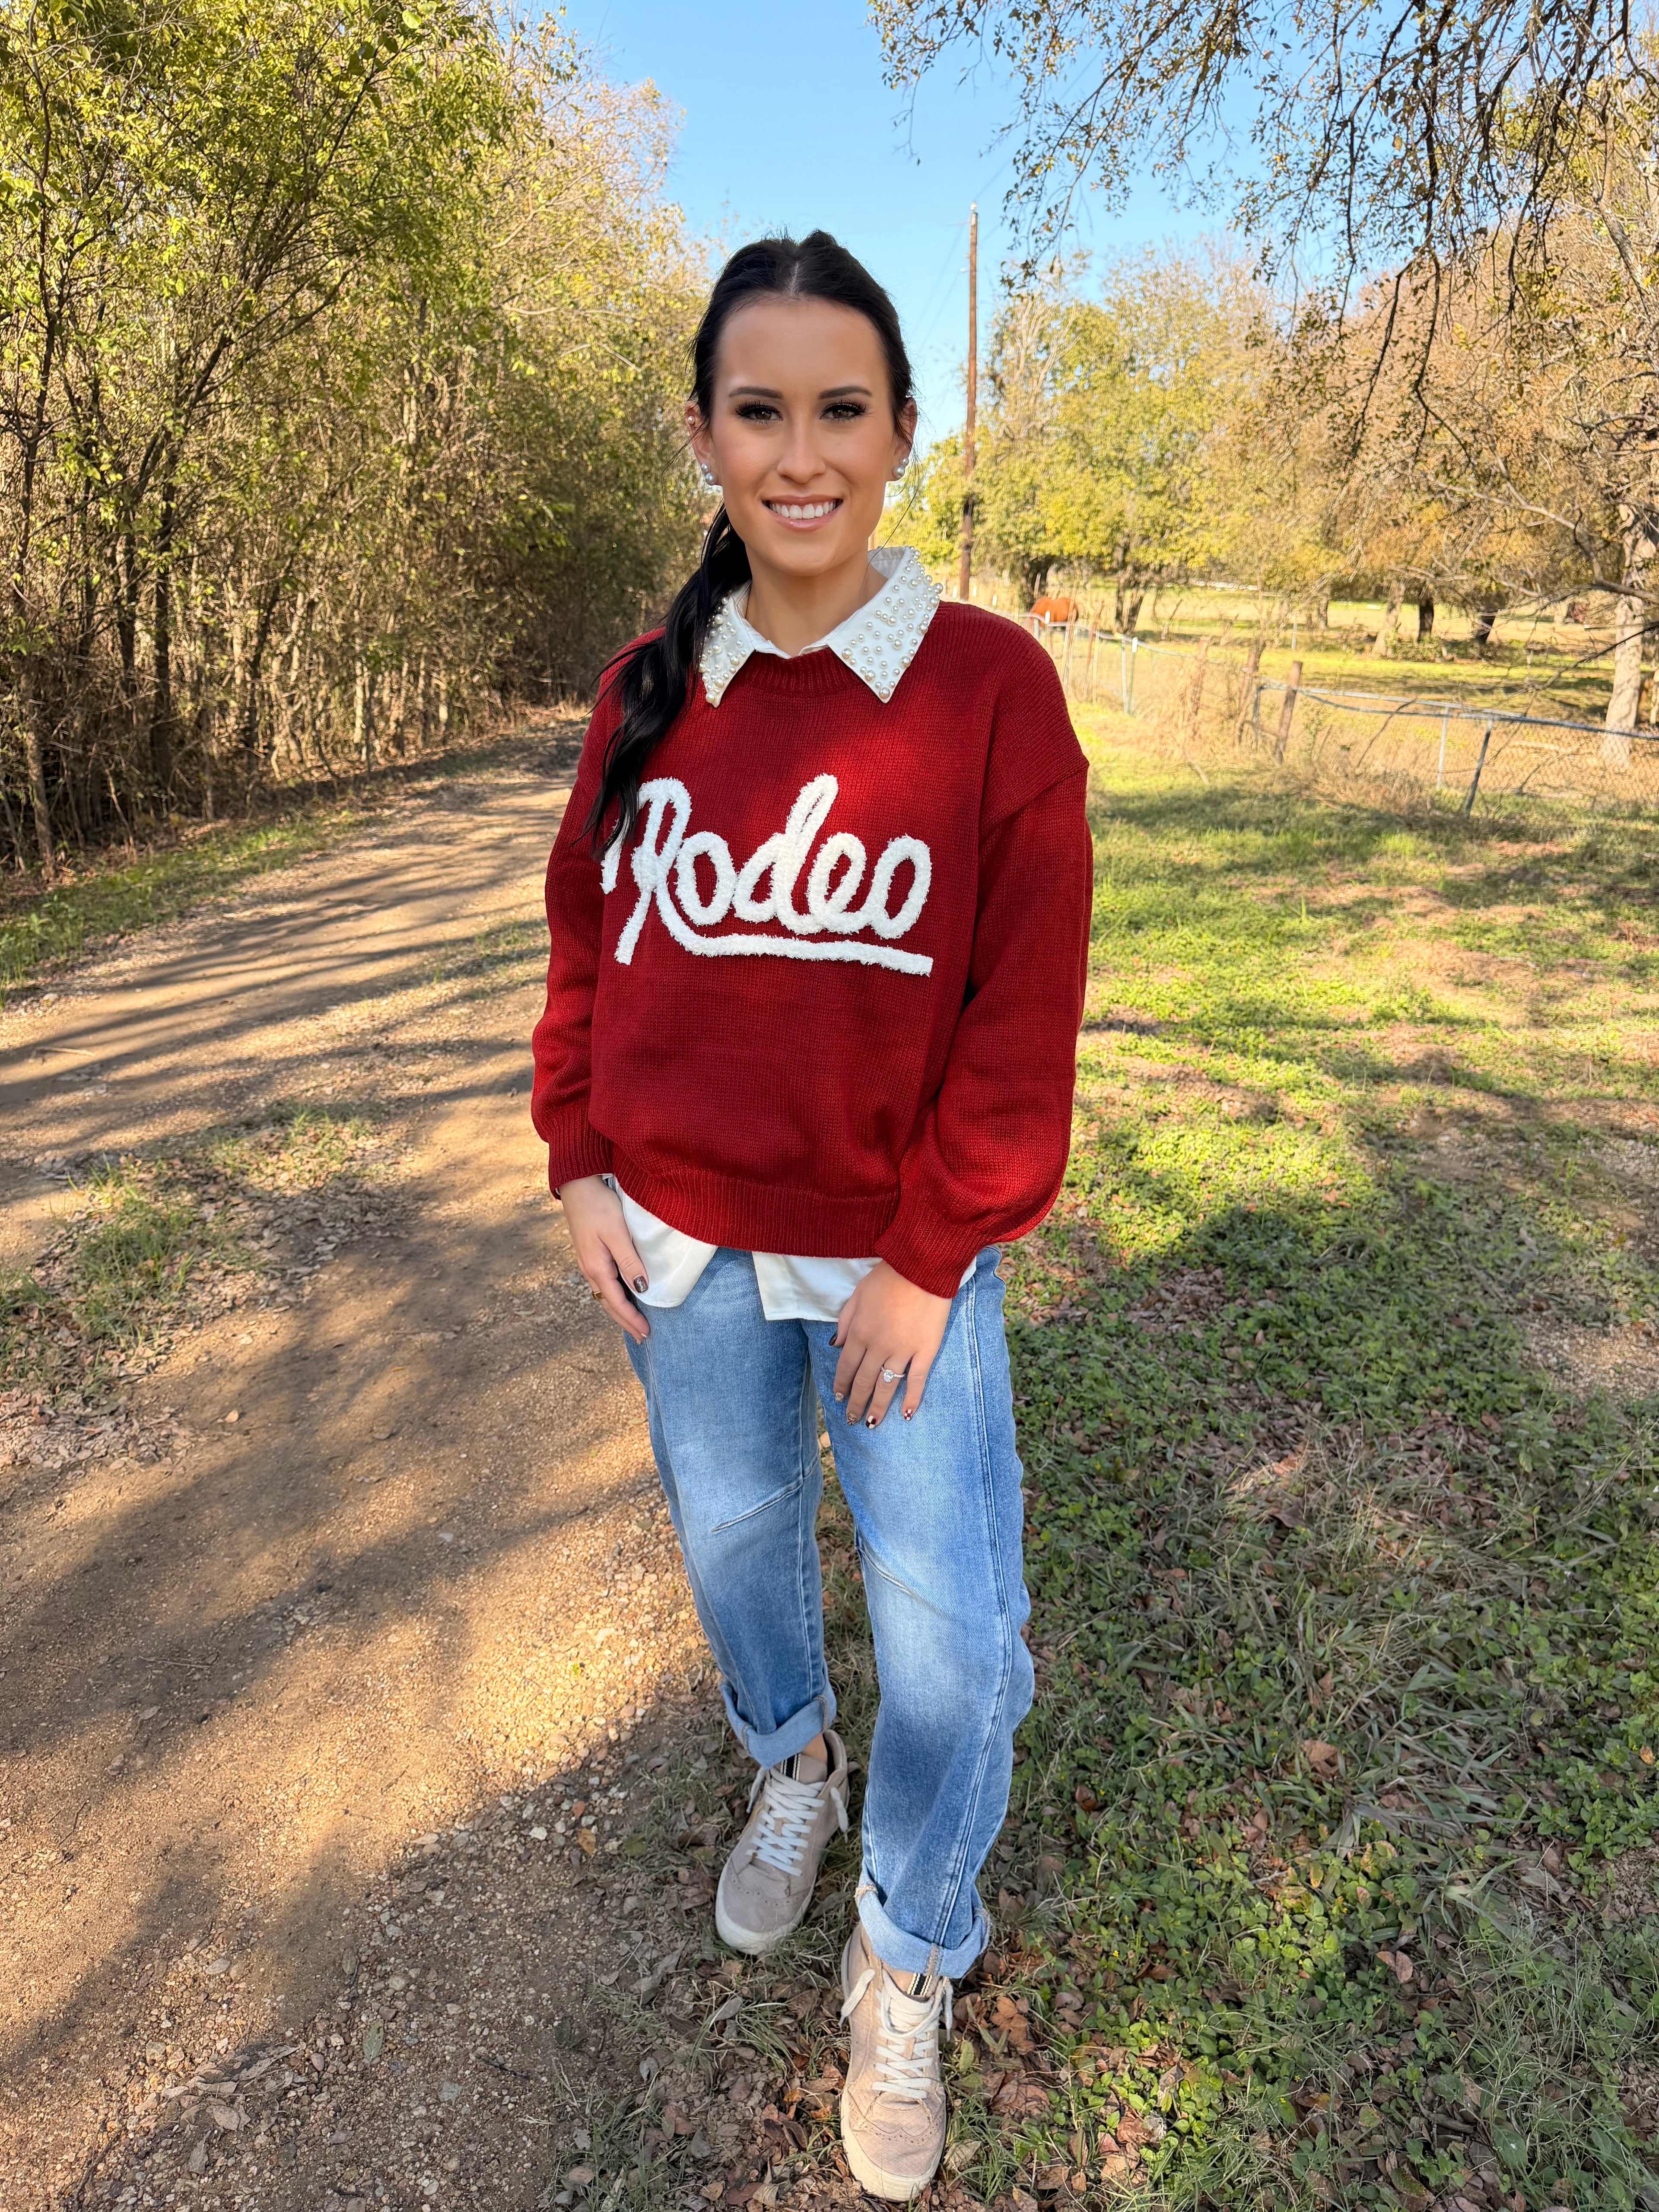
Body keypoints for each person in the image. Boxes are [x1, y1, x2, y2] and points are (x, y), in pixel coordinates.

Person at [530, 231, 1091, 2200]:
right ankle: (792, 1761)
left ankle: (909, 1941)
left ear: (901, 433)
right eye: (757, 408)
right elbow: (586, 948)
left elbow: (1024, 1012)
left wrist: (940, 1250)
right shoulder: (645, 689)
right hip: (679, 1247)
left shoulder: (992, 693)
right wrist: (576, 1156)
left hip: (896, 1260)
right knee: (740, 1549)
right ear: (704, 434)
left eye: (839, 407)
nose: (799, 450)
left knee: (955, 1635)